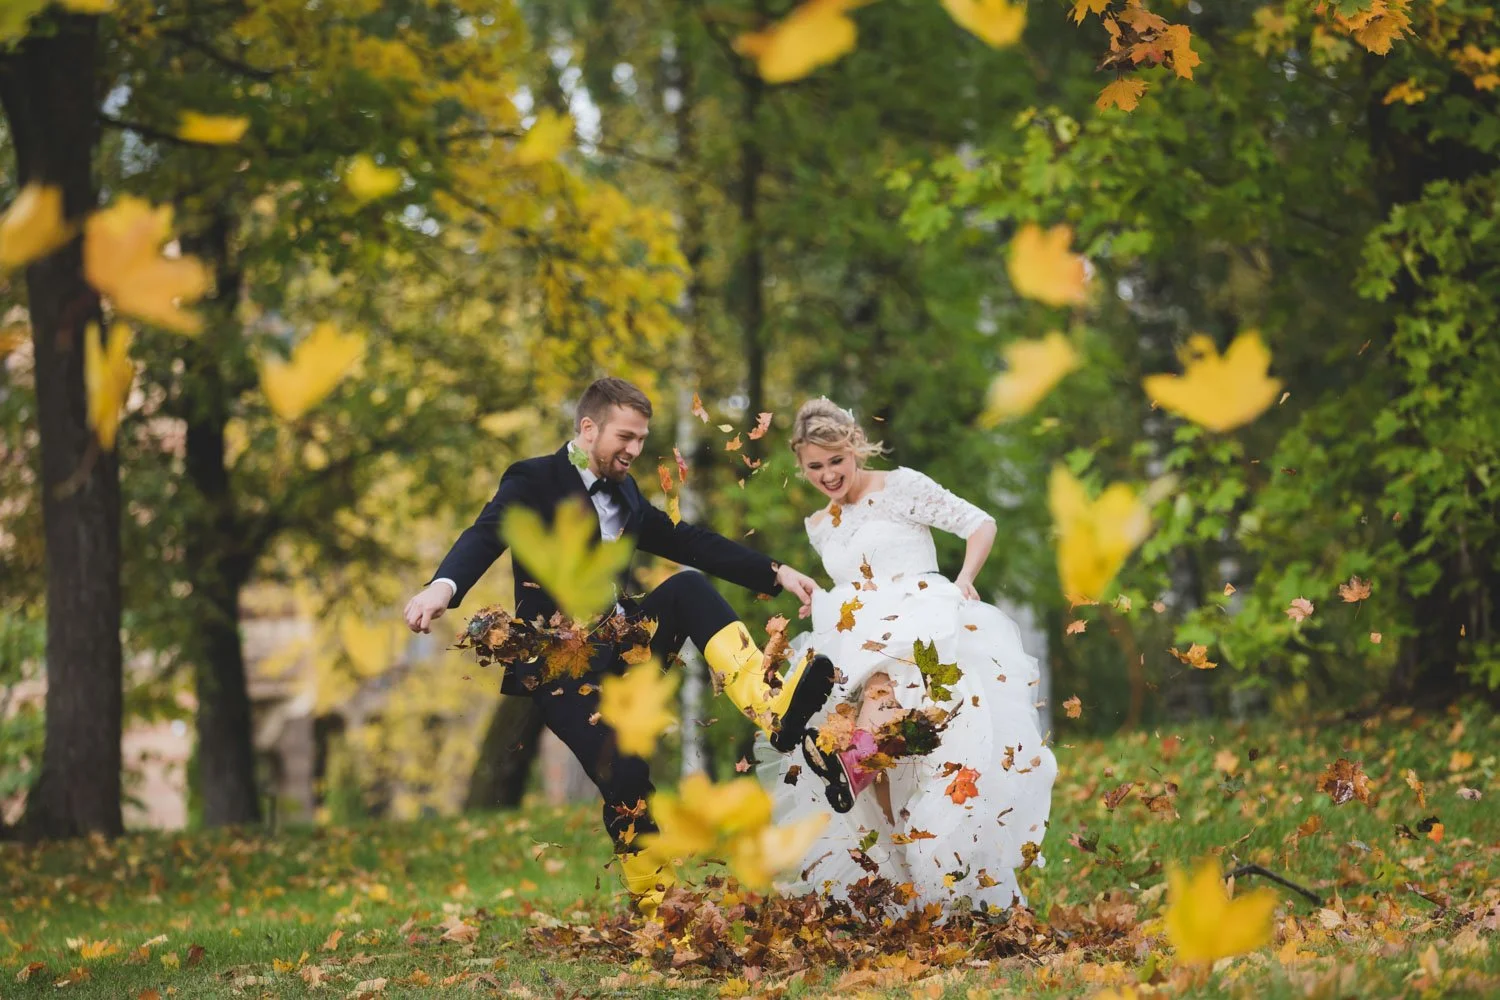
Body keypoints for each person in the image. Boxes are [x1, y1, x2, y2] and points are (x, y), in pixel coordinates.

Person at [403, 377, 836, 916]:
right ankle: (662, 907)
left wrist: (776, 571)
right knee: (626, 777)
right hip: (559, 663)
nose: (634, 450)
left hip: (623, 642)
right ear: (588, 428)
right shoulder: (534, 479)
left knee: (687, 588)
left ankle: (769, 705)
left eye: (641, 439)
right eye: (625, 437)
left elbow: (687, 540)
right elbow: (484, 533)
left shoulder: (626, 492)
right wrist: (442, 587)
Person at [755, 398, 1056, 914]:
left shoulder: (900, 487)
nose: (828, 475)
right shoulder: (820, 523)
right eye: (815, 467)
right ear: (801, 466)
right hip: (857, 637)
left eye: (836, 462)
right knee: (888, 778)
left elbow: (979, 523)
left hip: (922, 621)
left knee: (918, 724)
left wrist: (964, 580)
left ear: (854, 449)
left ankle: (855, 765)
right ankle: (908, 887)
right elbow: (848, 583)